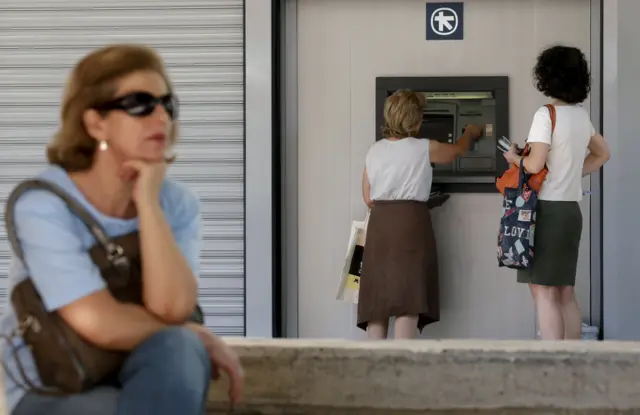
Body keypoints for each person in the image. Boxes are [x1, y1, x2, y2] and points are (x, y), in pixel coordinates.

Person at [0, 44, 244, 414]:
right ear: (95, 121)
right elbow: (97, 322)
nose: (161, 116)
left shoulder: (178, 204)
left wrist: (147, 201)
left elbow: (173, 308)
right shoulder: (42, 204)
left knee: (178, 350)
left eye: (168, 104)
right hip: (54, 386)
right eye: (140, 104)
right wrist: (194, 333)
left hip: (140, 372)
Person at [503, 45, 610, 340]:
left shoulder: (545, 114)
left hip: (545, 212)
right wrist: (572, 172)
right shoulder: (580, 116)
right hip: (570, 212)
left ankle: (551, 366)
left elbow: (536, 163)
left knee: (543, 293)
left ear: (546, 76)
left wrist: (514, 158)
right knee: (565, 293)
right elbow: (603, 154)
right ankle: (573, 363)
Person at [358, 89, 483, 340]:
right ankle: (404, 367)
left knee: (377, 302)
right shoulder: (426, 147)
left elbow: (368, 197)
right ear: (415, 120)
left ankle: (373, 366)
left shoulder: (374, 151)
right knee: (408, 298)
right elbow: (457, 150)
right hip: (411, 224)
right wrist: (471, 132)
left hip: (380, 227)